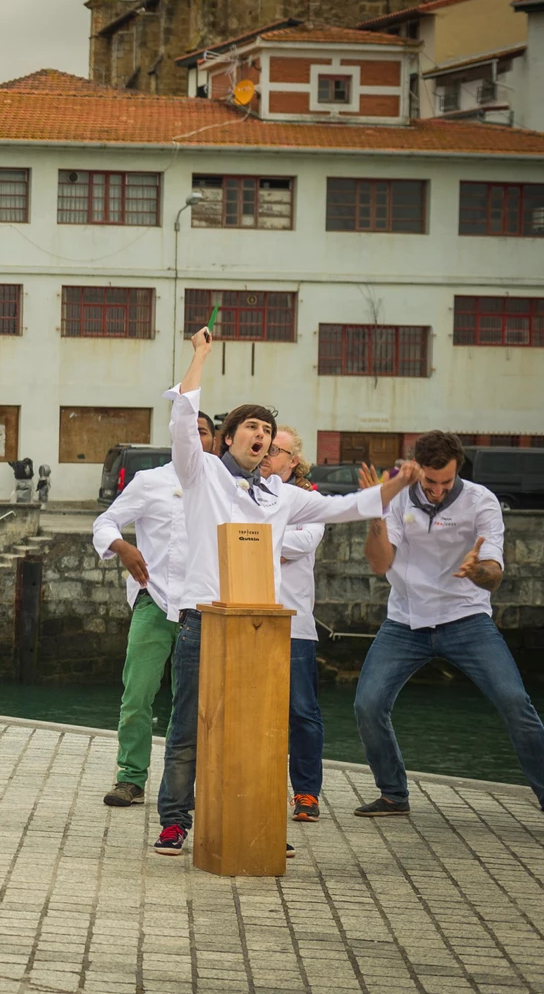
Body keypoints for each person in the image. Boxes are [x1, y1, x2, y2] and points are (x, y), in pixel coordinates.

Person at [152, 327, 416, 857]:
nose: (260, 435)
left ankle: (253, 816)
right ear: (229, 438)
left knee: (256, 730)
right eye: (250, 426)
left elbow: (339, 509)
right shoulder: (201, 473)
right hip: (202, 618)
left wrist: (390, 489)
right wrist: (200, 356)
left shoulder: (282, 496)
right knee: (188, 729)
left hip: (258, 622)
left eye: (266, 431)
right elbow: (183, 420)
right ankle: (176, 820)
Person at [353, 432, 544, 841]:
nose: (438, 490)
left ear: (458, 468)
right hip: (406, 621)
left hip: (466, 619)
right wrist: (376, 512)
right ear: (416, 469)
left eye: (446, 482)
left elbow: (493, 576)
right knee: (368, 705)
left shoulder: (481, 500)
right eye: (430, 483)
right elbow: (379, 564)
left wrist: (476, 570)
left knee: (515, 701)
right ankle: (393, 794)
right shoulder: (398, 499)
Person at [90, 412, 216, 808]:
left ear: (215, 441)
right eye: (189, 431)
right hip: (154, 600)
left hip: (202, 608)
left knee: (193, 702)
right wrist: (122, 547)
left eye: (203, 432)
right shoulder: (149, 482)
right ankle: (131, 778)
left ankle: (186, 786)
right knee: (137, 694)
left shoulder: (222, 486)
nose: (195, 438)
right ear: (174, 438)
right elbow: (105, 522)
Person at [260, 425, 328, 822]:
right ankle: (258, 786)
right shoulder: (244, 492)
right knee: (252, 711)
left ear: (293, 460)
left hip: (295, 624)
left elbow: (302, 544)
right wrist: (270, 542)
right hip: (250, 618)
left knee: (302, 711)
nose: (267, 454)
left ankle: (306, 793)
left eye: (277, 449)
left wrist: (258, 541)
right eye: (265, 448)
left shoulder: (309, 501)